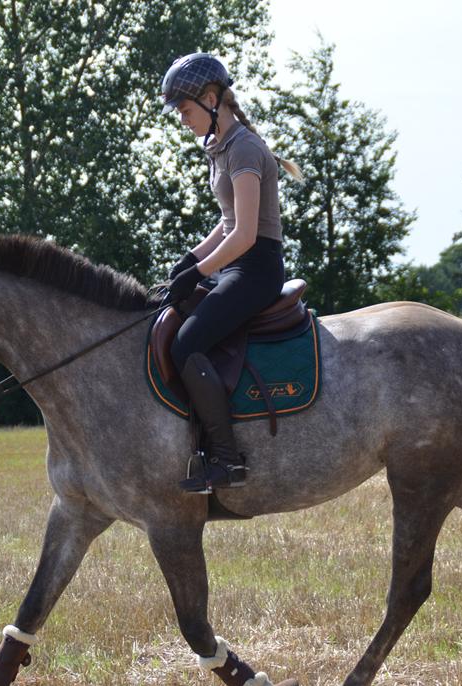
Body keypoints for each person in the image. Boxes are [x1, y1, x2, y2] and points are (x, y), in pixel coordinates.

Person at [159, 52, 302, 494]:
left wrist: (199, 270)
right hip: (235, 262)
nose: (182, 119)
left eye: (185, 110)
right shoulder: (220, 148)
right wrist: (188, 261)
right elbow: (225, 222)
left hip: (256, 268)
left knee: (187, 344)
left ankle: (226, 460)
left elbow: (243, 235)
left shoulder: (242, 148)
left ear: (210, 99)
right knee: (174, 312)